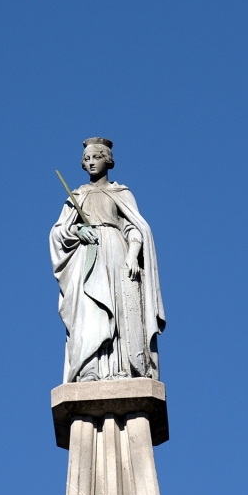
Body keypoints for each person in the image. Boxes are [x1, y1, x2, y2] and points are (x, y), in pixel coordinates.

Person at [50, 138, 166, 383]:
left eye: (96, 157)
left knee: (119, 308)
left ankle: (121, 366)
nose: (91, 163)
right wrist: (77, 232)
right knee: (90, 310)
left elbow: (135, 228)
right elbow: (58, 231)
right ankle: (89, 369)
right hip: (87, 256)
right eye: (87, 159)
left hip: (115, 252)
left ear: (107, 160)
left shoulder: (120, 193)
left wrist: (133, 255)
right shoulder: (77, 195)